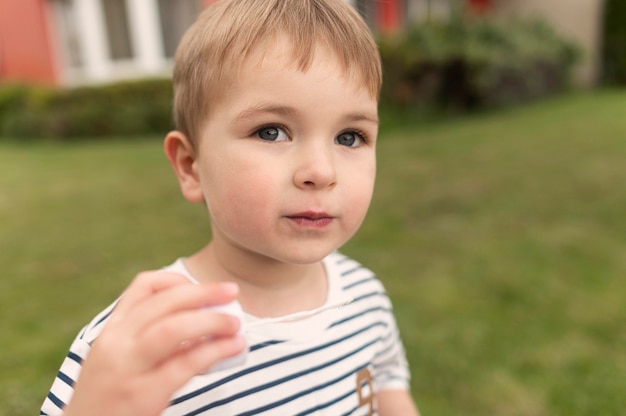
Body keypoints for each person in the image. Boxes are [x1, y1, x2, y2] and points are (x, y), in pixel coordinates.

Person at [41, 0, 420, 414]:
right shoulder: (140, 342)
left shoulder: (364, 296)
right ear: (191, 166)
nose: (321, 171)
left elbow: (387, 385)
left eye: (350, 137)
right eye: (271, 131)